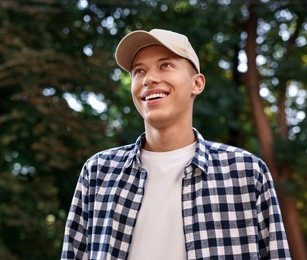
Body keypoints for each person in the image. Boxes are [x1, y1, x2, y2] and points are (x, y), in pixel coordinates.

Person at [61, 29, 291, 259]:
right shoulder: (99, 171)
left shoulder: (246, 172)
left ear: (197, 83)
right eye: (139, 71)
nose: (148, 79)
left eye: (165, 65)